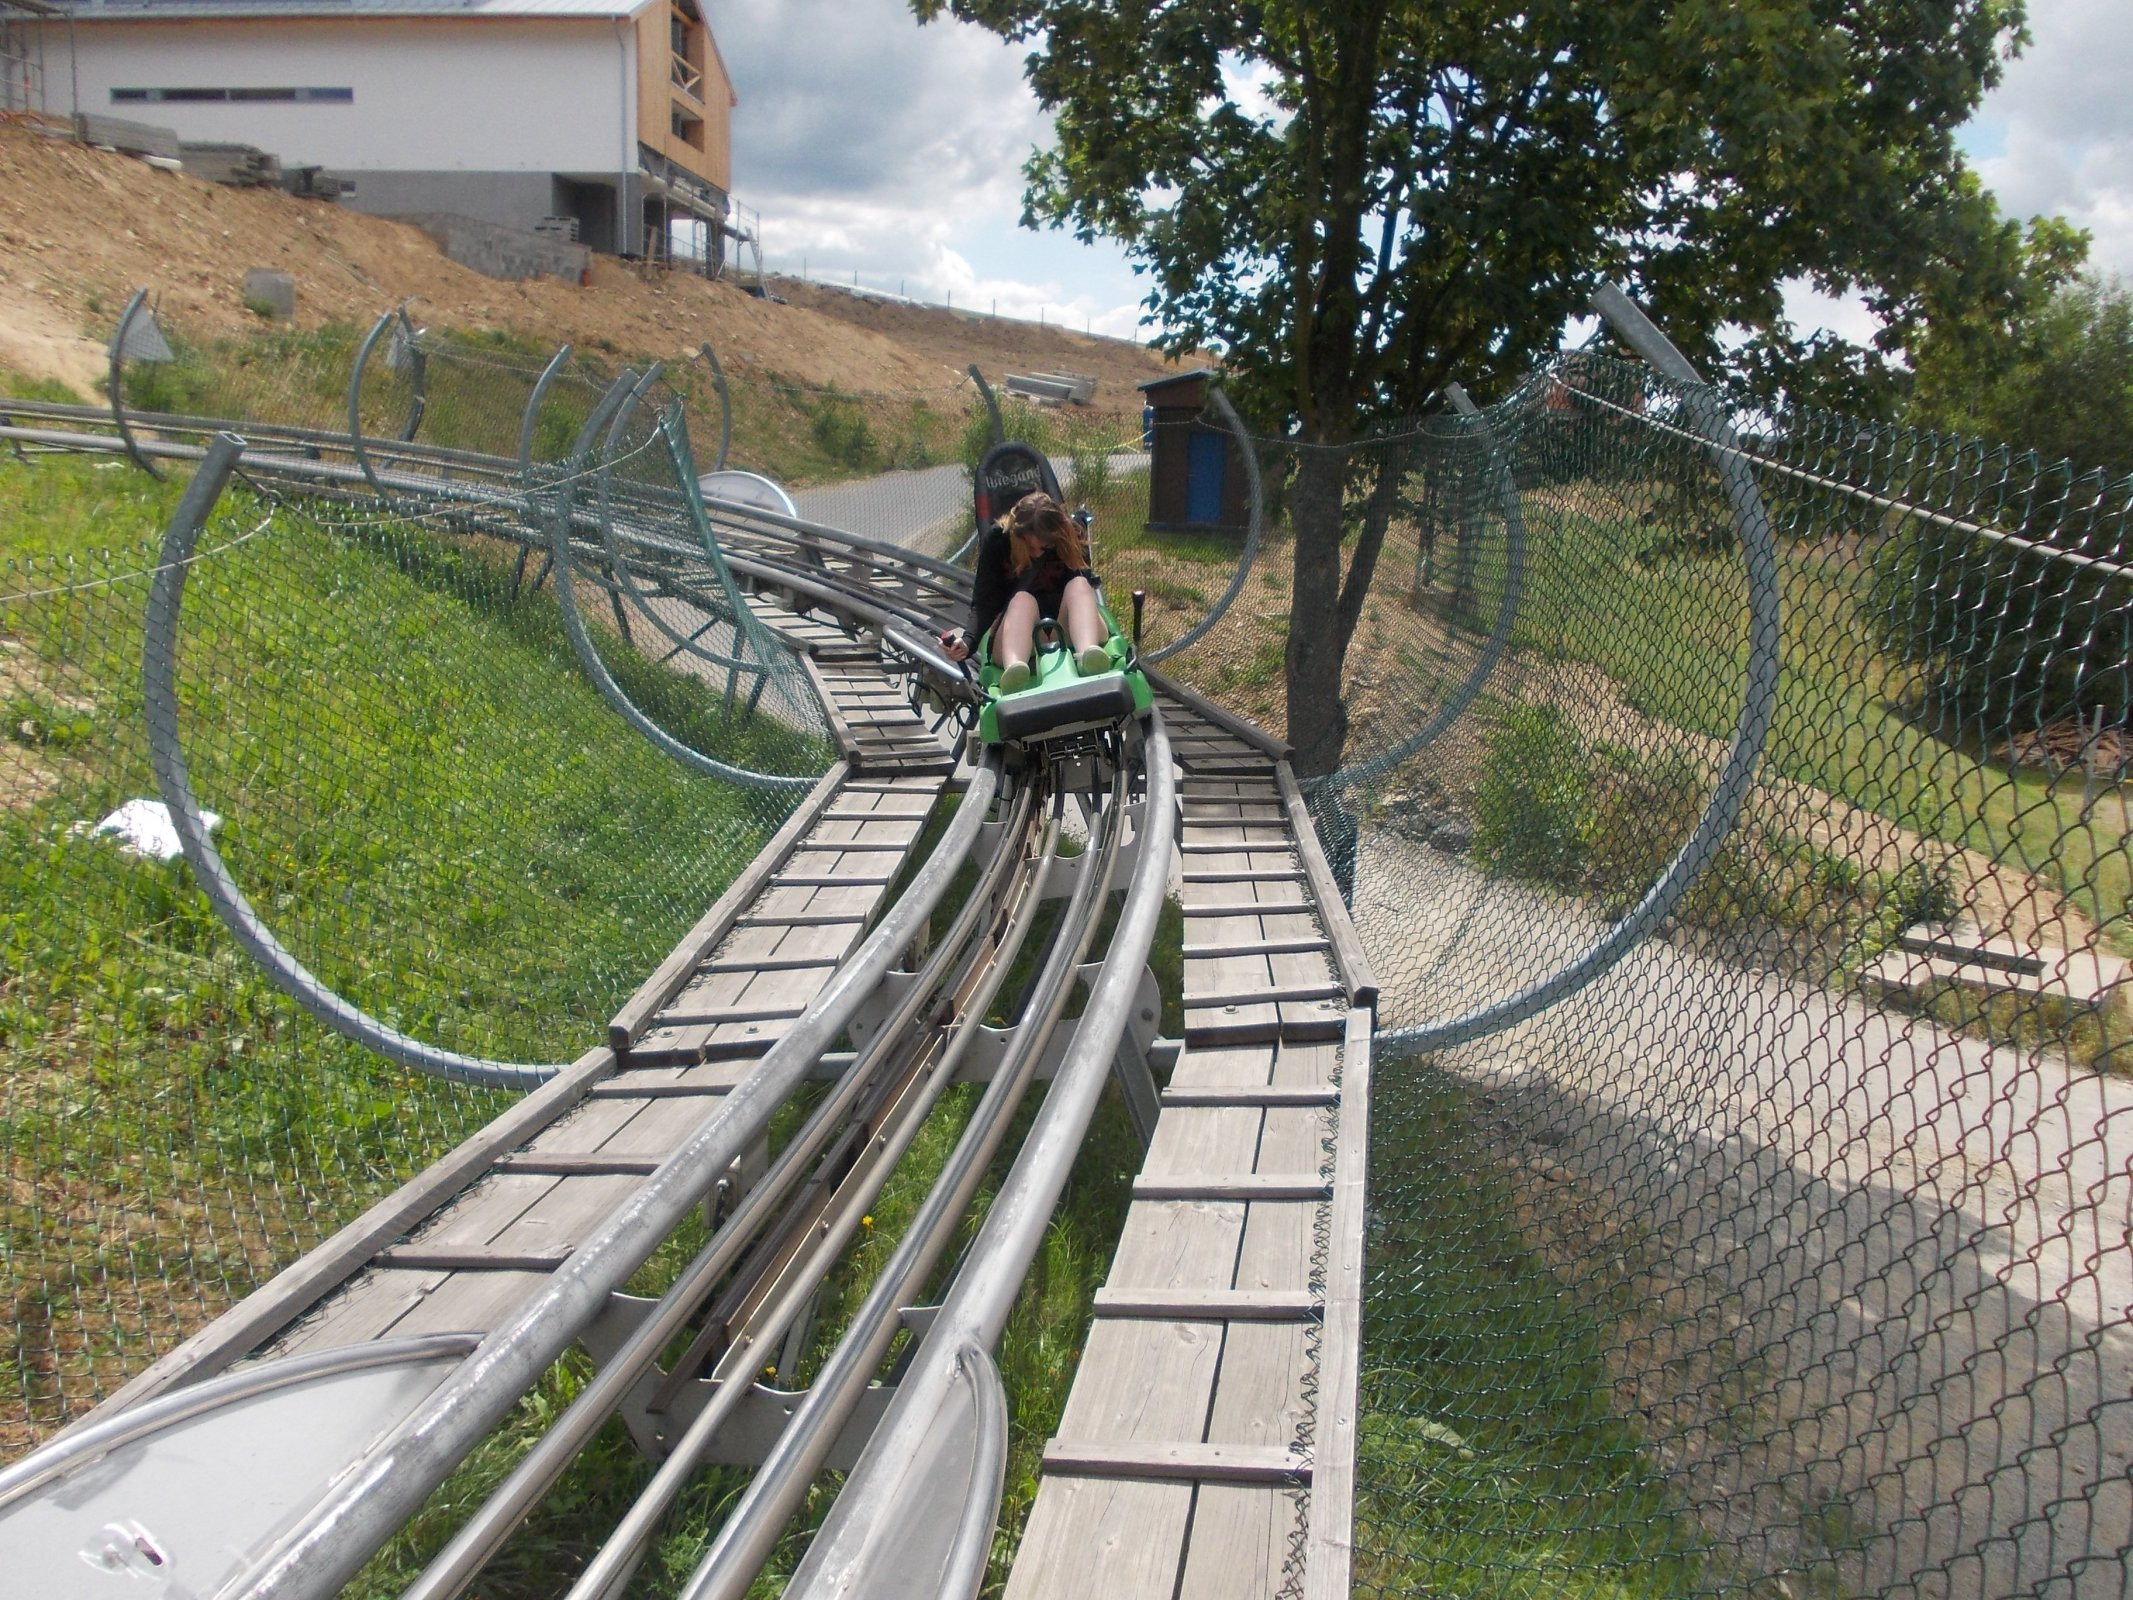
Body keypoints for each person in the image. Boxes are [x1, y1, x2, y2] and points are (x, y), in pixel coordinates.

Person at [941, 491, 1110, 692]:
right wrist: (968, 641)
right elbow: (985, 602)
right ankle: (1015, 671)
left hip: (1066, 630)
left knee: (1079, 584)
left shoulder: (1070, 534)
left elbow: (1083, 591)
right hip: (1019, 636)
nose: (1037, 554)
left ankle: (1088, 656)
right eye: (1030, 547)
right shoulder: (998, 539)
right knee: (1022, 599)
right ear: (1017, 534)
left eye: (1045, 548)